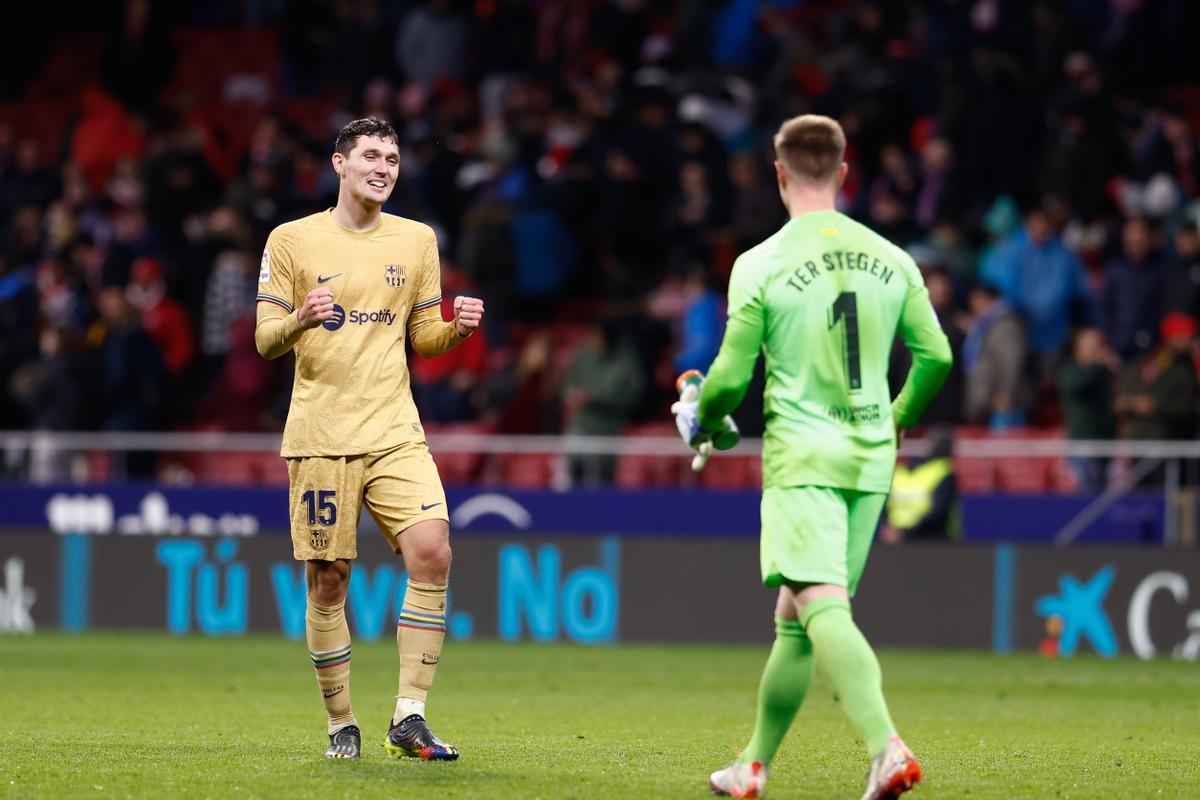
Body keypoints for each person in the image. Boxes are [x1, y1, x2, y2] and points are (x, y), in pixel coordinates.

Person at [679, 115, 951, 799]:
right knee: (796, 619)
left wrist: (703, 418)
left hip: (805, 455)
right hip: (870, 454)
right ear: (843, 172)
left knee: (822, 605)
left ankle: (886, 748)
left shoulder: (761, 263)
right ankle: (752, 765)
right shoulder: (893, 258)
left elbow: (731, 379)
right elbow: (938, 356)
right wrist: (895, 418)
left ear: (777, 172)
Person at [255, 117, 484, 762]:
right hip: (322, 434)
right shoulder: (291, 240)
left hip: (394, 428)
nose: (384, 168)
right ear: (340, 164)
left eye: (393, 158)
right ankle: (341, 723)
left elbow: (422, 337)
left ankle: (409, 715)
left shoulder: (416, 242)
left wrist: (457, 329)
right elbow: (264, 339)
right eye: (371, 157)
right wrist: (300, 318)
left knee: (433, 550)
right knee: (329, 580)